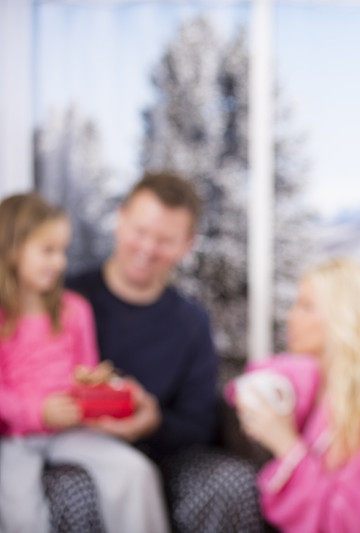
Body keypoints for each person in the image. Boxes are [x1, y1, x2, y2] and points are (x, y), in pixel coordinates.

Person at [60, 171, 264, 532]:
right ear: (120, 219)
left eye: (166, 240)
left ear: (188, 243)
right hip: (74, 451)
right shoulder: (68, 300)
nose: (147, 249)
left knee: (230, 480)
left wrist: (153, 422)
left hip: (166, 458)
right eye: (140, 231)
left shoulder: (191, 322)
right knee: (69, 490)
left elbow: (199, 424)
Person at [0, 193, 170, 533]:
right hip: (15, 438)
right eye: (48, 251)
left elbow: (87, 372)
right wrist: (37, 413)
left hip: (73, 432)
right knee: (19, 513)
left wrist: (104, 393)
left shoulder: (74, 309)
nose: (60, 263)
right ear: (13, 249)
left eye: (62, 251)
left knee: (135, 472)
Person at [233, 258, 360, 532]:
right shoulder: (322, 385)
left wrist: (286, 444)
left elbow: (353, 522)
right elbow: (249, 381)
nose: (290, 317)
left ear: (342, 317)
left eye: (306, 307)